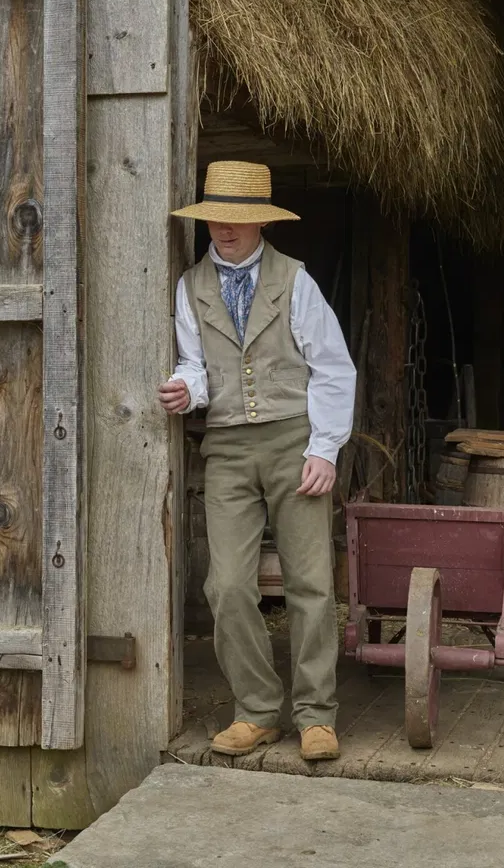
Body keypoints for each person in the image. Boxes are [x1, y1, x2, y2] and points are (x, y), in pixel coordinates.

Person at [159, 160, 357, 762]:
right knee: (226, 587)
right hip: (226, 447)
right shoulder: (190, 286)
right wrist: (185, 391)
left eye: (237, 220)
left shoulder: (295, 282)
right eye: (216, 217)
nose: (225, 229)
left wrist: (324, 448)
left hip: (294, 441)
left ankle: (317, 715)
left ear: (260, 223)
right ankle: (256, 710)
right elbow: (195, 364)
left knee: (310, 583)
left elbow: (332, 367)